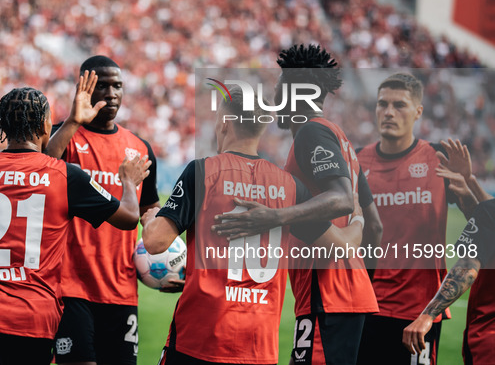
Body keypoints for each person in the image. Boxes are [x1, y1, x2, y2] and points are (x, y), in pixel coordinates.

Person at [141, 86, 365, 365]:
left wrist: (151, 216)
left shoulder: (202, 171)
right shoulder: (290, 186)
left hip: (200, 339)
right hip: (259, 346)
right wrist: (358, 216)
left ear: (224, 122)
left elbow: (155, 241)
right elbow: (343, 246)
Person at [0, 72, 149, 365]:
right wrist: (128, 181)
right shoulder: (64, 176)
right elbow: (129, 217)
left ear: (2, 128)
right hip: (31, 319)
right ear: (44, 125)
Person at [212, 44, 382, 365]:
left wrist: (275, 216)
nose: (274, 98)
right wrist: (359, 283)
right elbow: (373, 223)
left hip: (328, 296)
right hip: (342, 296)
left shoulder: (311, 134)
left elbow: (343, 200)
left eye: (279, 87)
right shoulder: (339, 138)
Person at [46, 55, 161, 365]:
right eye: (103, 86)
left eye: (118, 86)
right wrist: (72, 121)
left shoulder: (140, 148)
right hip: (70, 286)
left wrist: (163, 254)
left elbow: (150, 206)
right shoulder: (64, 137)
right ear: (84, 88)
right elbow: (39, 168)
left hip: (121, 288)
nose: (112, 94)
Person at [356, 73, 461, 365]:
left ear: (418, 111)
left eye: (399, 105)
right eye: (382, 104)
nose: (388, 112)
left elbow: (482, 222)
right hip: (367, 309)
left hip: (419, 315)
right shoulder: (356, 162)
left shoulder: (440, 161)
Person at [403, 139, 494, 365]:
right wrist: (470, 183)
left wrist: (428, 314)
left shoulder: (489, 212)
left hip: (488, 343)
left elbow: (468, 267)